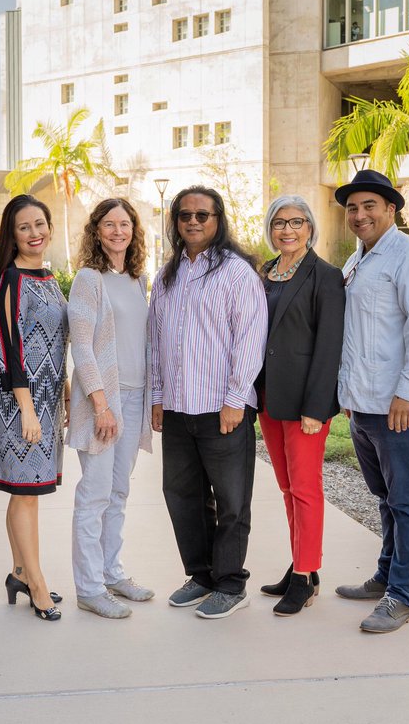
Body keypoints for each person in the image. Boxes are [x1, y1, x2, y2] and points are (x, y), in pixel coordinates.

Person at [332, 169, 409, 634]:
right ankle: (385, 575)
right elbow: (356, 336)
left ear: (391, 210)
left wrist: (407, 393)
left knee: (407, 500)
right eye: (353, 209)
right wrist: (348, 393)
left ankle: (402, 597)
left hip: (402, 404)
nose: (359, 215)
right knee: (384, 497)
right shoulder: (356, 261)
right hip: (364, 402)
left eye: (369, 207)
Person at [149, 185, 267, 620]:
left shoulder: (237, 273)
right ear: (176, 223)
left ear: (218, 220)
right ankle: (200, 576)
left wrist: (237, 398)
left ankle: (231, 583)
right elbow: (156, 343)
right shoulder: (167, 277)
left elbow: (250, 340)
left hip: (223, 409)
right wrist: (158, 397)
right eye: (185, 215)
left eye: (203, 214)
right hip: (179, 409)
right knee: (182, 494)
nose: (193, 221)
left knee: (232, 499)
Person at [254, 195, 345, 616]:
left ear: (310, 227)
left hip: (305, 403)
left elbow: (328, 347)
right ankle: (302, 563)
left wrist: (316, 407)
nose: (286, 230)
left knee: (306, 489)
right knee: (287, 488)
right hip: (270, 398)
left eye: (296, 222)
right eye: (279, 223)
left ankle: (305, 577)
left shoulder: (325, 276)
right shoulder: (265, 273)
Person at [67, 198, 155, 619]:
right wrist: (101, 405)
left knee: (119, 492)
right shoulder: (89, 279)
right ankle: (88, 587)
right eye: (109, 224)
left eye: (125, 224)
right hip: (105, 400)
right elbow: (82, 346)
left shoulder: (137, 280)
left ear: (134, 230)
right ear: (96, 231)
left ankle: (112, 572)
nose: (118, 231)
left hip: (135, 398)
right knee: (95, 494)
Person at [0, 194, 68, 621]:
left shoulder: (49, 278)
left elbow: (56, 340)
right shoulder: (11, 280)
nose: (35, 233)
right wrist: (28, 408)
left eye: (40, 224)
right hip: (21, 402)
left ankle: (19, 571)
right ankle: (37, 586)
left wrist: (63, 390)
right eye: (24, 227)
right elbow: (10, 349)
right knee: (26, 494)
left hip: (48, 399)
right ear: (11, 235)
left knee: (26, 492)